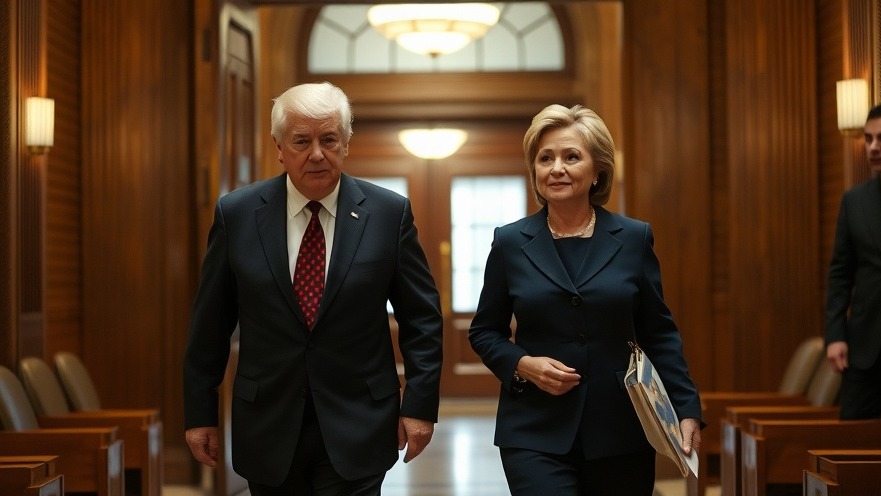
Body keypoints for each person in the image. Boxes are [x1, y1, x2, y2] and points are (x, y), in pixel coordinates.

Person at [183, 81, 444, 495]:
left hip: (359, 420)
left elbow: (422, 320)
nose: (317, 154)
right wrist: (200, 412)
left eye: (329, 139)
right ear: (279, 147)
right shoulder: (237, 214)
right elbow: (210, 324)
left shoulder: (387, 213)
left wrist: (420, 406)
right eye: (302, 141)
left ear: (346, 143)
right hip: (268, 422)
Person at [468, 104, 703, 495]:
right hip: (534, 430)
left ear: (597, 171)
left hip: (620, 429)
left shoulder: (633, 238)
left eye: (571, 156)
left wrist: (687, 408)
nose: (556, 168)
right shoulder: (509, 242)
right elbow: (484, 332)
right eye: (545, 158)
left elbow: (658, 333)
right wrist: (523, 364)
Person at [825, 103, 881, 420]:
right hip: (865, 348)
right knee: (854, 443)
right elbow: (840, 275)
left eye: (880, 138)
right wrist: (835, 336)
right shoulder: (855, 201)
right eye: (868, 138)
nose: (873, 147)